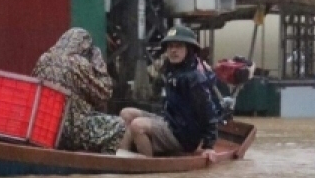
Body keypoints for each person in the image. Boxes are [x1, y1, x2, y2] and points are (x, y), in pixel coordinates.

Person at [119, 25, 221, 159]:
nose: (173, 50)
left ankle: (147, 166)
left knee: (138, 125)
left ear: (189, 49)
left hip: (184, 135)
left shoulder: (194, 78)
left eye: (178, 46)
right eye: (170, 46)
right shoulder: (171, 70)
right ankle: (121, 157)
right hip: (169, 121)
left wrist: (209, 145)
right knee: (126, 113)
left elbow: (208, 111)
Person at [32, 28, 126, 154]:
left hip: (45, 128)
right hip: (71, 132)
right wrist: (98, 62)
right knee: (118, 125)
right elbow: (105, 93)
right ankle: (103, 164)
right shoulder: (79, 63)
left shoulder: (43, 59)